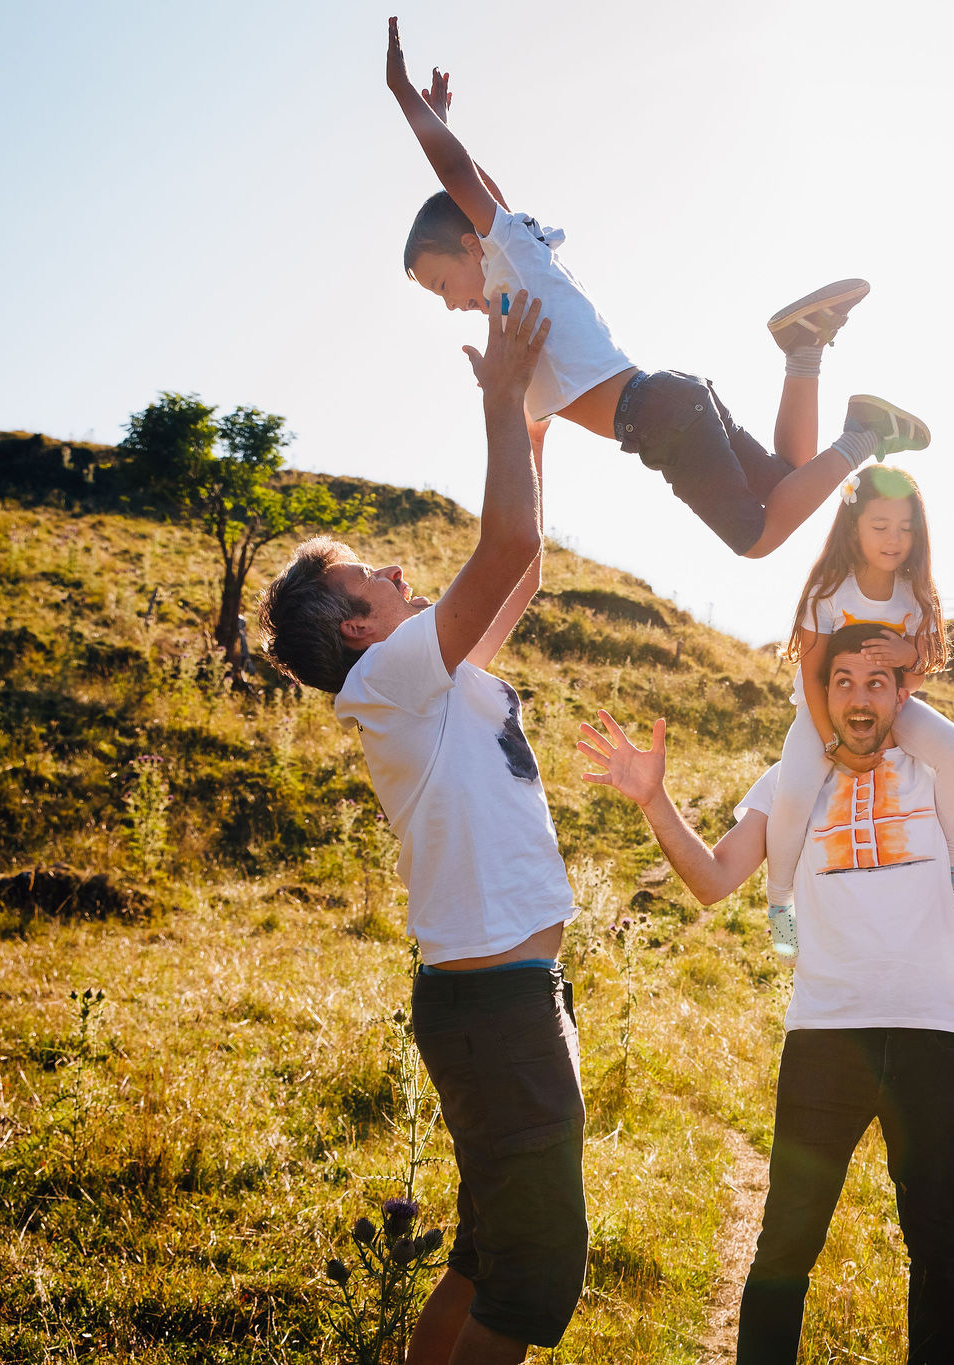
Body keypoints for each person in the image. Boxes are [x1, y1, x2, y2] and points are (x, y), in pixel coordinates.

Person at [576, 623, 954, 1364]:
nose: (861, 696)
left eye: (878, 680)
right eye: (844, 680)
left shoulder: (942, 777)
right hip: (826, 1039)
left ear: (904, 693)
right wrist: (654, 799)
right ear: (823, 694)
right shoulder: (789, 785)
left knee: (936, 1242)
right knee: (786, 1242)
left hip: (931, 1036)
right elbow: (711, 879)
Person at [257, 300, 580, 1365]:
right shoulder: (391, 676)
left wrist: (529, 434)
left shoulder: (426, 679)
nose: (398, 575)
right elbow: (507, 546)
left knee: (486, 1262)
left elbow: (521, 568)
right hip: (494, 1007)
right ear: (355, 628)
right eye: (373, 580)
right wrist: (498, 404)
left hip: (505, 1000)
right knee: (534, 1281)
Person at [385, 18, 929, 559]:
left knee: (756, 538)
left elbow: (462, 178)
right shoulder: (515, 285)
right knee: (789, 482)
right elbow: (482, 193)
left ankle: (865, 434)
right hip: (672, 399)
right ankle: (804, 348)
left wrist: (409, 100)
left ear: (473, 245)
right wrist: (443, 123)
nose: (452, 303)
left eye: (441, 284)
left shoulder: (512, 265)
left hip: (659, 416)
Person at [765, 465, 954, 951]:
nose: (894, 539)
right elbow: (811, 675)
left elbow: (922, 670)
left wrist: (910, 658)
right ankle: (780, 903)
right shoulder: (828, 590)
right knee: (794, 791)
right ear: (853, 525)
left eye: (906, 528)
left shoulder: (915, 594)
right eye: (880, 527)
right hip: (822, 712)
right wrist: (831, 742)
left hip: (893, 713)